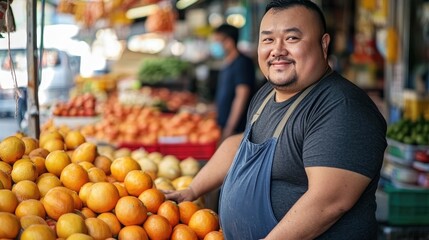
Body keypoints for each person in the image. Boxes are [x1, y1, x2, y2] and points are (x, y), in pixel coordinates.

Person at [165, 0, 387, 239]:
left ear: (323, 44)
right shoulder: (267, 95)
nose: (277, 50)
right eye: (268, 39)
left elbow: (328, 202)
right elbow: (242, 145)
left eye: (291, 38)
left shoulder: (341, 108)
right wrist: (192, 190)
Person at [209, 23, 256, 141]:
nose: (215, 45)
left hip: (237, 129)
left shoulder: (242, 63)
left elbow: (241, 97)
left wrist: (229, 129)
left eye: (217, 41)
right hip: (224, 125)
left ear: (229, 41)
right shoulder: (227, 63)